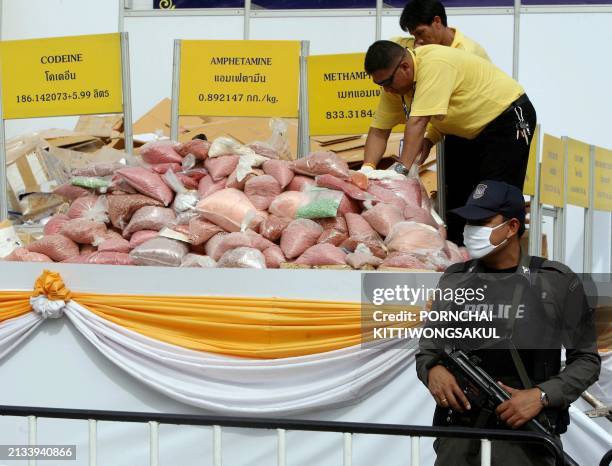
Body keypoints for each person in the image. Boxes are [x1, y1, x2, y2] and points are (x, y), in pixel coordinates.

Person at [415, 180, 601, 466]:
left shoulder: (555, 281)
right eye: (468, 221)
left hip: (524, 441)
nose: (470, 230)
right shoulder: (455, 278)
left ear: (512, 227)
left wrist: (540, 396)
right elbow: (429, 348)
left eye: (482, 221)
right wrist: (433, 370)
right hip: (459, 437)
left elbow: (586, 359)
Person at [362, 41, 536, 246]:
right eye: (380, 84)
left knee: (494, 198)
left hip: (506, 120)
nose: (387, 90)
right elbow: (379, 130)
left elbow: (418, 121)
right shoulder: (394, 86)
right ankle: (459, 261)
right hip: (467, 130)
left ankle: (500, 269)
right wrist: (366, 170)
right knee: (458, 202)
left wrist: (400, 171)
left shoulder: (435, 64)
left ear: (405, 67)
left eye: (388, 82)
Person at [399, 0, 490, 60]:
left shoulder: (468, 53)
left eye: (420, 33)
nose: (418, 40)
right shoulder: (405, 45)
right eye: (414, 36)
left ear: (437, 21)